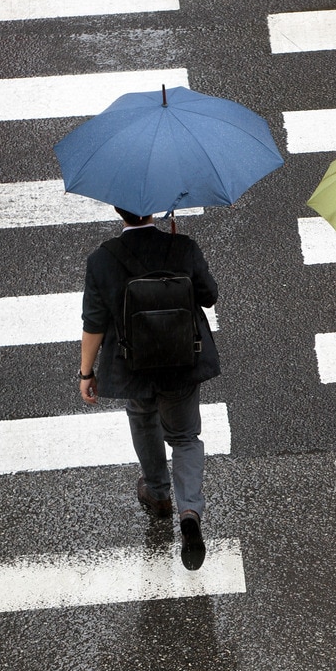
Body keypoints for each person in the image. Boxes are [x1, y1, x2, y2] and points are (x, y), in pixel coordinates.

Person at [78, 207, 220, 569]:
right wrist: (177, 252)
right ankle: (189, 509)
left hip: (133, 365)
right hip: (180, 361)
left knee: (142, 418)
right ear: (154, 210)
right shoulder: (182, 246)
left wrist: (86, 372)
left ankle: (158, 494)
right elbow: (208, 295)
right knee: (186, 436)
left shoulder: (103, 259)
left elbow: (94, 323)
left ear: (117, 210)